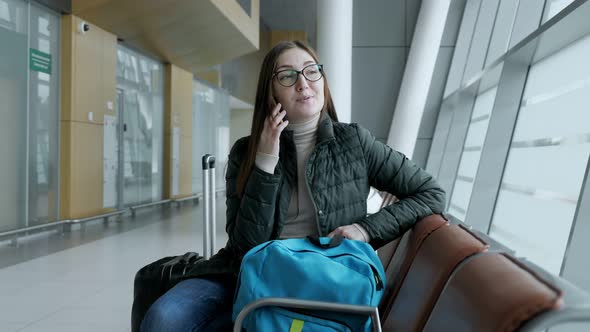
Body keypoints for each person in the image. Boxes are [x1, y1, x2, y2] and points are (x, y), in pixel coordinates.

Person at [140, 40, 446, 331]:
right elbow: (246, 246)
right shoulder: (244, 153)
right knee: (164, 319)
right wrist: (265, 161)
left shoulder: (354, 142)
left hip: (321, 275)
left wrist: (365, 229)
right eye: (287, 76)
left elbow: (431, 193)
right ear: (271, 91)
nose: (303, 83)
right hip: (246, 274)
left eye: (311, 71)